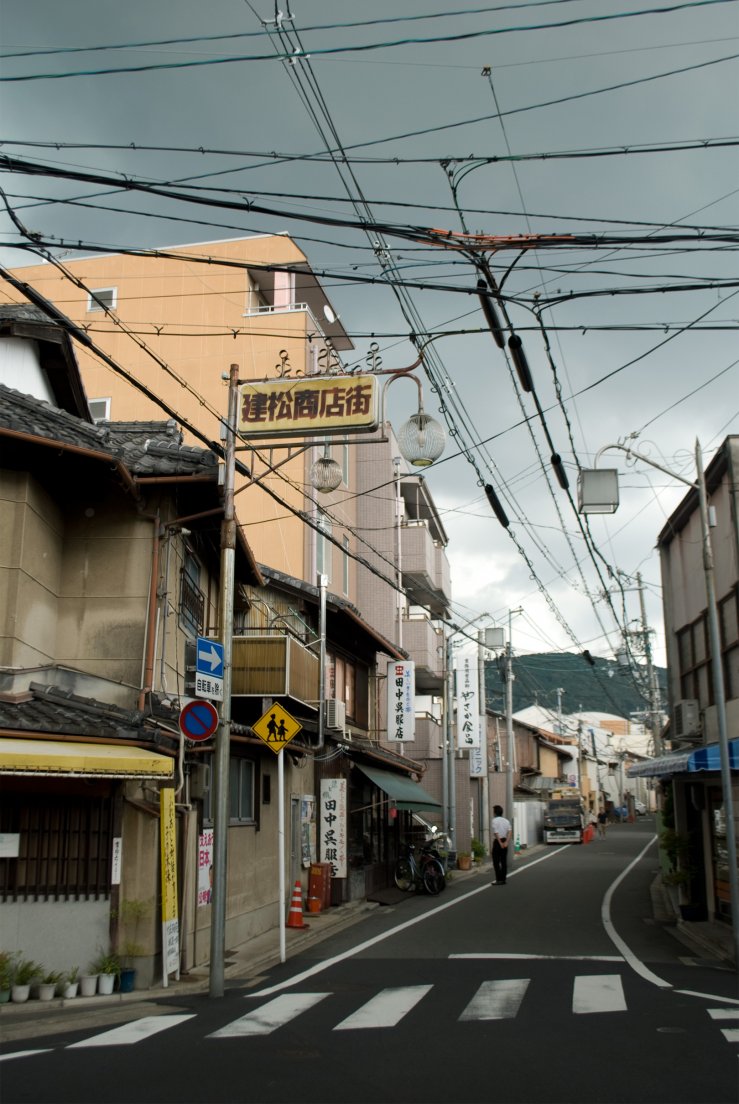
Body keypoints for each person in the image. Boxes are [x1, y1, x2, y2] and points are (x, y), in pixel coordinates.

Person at [491, 804, 512, 885]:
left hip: (497, 842)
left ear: (495, 813)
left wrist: (500, 843)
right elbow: (510, 831)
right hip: (504, 840)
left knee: (496, 861)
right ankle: (503, 879)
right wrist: (506, 842)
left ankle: (498, 879)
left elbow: (496, 832)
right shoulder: (506, 821)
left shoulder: (494, 820)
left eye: (493, 812)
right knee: (503, 861)